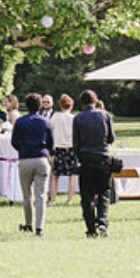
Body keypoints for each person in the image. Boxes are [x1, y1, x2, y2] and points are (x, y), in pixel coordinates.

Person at [73, 89, 117, 238]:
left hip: (86, 159)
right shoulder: (105, 115)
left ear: (82, 102)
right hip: (103, 158)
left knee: (87, 197)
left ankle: (91, 228)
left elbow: (76, 143)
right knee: (104, 193)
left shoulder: (78, 118)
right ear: (96, 100)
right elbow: (111, 138)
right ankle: (102, 222)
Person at [11, 96, 54, 235]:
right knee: (41, 195)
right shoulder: (45, 121)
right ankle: (39, 227)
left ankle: (28, 223)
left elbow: (14, 141)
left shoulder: (20, 121)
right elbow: (51, 142)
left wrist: (22, 149)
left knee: (26, 194)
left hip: (25, 158)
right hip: (41, 158)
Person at [51, 93, 78, 199]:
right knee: (72, 175)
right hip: (71, 148)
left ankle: (52, 199)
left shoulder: (56, 116)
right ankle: (69, 199)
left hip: (58, 148)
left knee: (55, 175)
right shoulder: (74, 118)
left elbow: (50, 128)